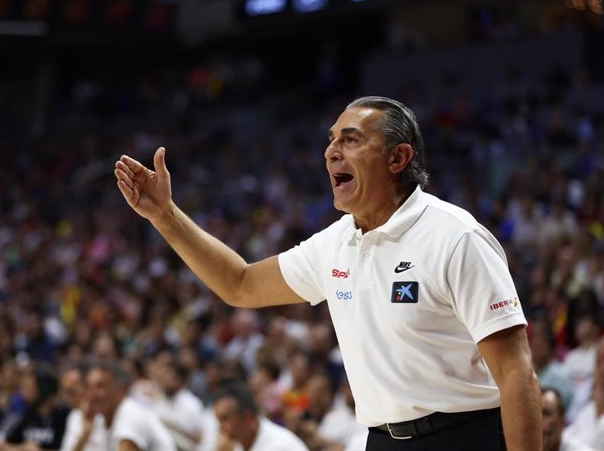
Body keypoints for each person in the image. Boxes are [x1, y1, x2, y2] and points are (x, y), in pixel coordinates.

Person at [114, 95, 541, 450]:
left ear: (398, 157)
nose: (331, 151)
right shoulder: (335, 243)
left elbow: (515, 372)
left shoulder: (456, 236)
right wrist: (164, 216)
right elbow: (239, 285)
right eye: (331, 140)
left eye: (351, 140)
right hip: (382, 440)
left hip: (467, 436)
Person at [60, 361, 175, 451]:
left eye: (101, 387)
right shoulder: (104, 418)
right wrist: (84, 434)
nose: (92, 394)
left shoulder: (131, 413)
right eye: (90, 387)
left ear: (120, 390)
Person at [212, 382, 308, 451]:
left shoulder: (281, 446)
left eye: (225, 419)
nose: (221, 427)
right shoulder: (240, 444)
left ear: (248, 418)